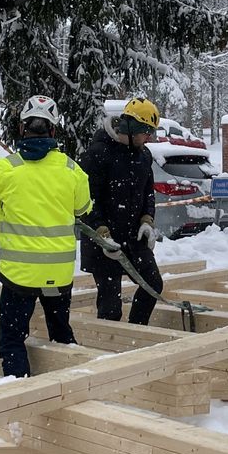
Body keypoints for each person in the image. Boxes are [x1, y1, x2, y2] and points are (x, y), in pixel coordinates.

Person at [0, 95, 93, 378]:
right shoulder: (72, 171)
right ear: (54, 131)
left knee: (13, 340)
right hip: (58, 274)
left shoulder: (8, 170)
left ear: (22, 129)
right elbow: (84, 208)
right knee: (61, 335)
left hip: (20, 278)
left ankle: (20, 394)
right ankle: (72, 384)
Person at [81, 97, 164, 325]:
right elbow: (86, 200)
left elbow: (148, 192)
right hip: (104, 243)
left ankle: (137, 330)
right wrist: (101, 232)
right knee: (110, 307)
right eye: (146, 132)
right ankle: (111, 349)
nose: (148, 138)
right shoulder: (98, 154)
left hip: (133, 238)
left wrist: (148, 220)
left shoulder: (143, 155)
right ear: (132, 128)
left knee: (153, 285)